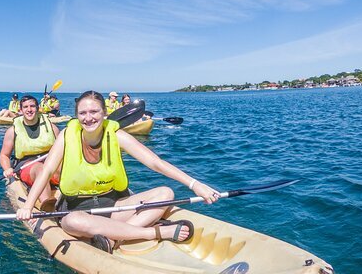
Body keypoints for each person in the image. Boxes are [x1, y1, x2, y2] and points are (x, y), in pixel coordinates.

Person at [16, 90, 219, 252]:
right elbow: (47, 169)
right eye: (83, 113)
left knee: (165, 193)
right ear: (77, 116)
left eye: (94, 112)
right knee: (72, 221)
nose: (88, 118)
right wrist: (30, 205)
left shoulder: (116, 134)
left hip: (114, 206)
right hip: (77, 210)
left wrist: (195, 185)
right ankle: (153, 233)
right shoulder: (67, 134)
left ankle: (112, 238)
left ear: (104, 113)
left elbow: (155, 162)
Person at [0, 95, 60, 211]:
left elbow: (63, 150)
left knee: (62, 167)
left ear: (38, 108)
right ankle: (48, 205)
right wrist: (7, 168)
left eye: (32, 106)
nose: (29, 109)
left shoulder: (52, 128)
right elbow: (4, 155)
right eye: (25, 107)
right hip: (27, 165)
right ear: (20, 110)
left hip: (49, 160)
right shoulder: (12, 131)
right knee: (41, 169)